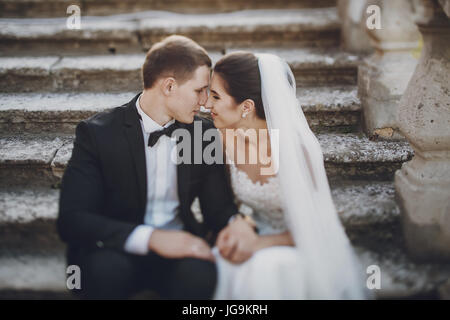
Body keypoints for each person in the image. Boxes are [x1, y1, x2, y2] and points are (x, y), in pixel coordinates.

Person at [57, 35, 254, 299]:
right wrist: (151, 238)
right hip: (115, 247)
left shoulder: (201, 133)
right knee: (105, 272)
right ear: (169, 86)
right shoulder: (98, 133)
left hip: (180, 251)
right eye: (199, 90)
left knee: (201, 276)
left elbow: (217, 207)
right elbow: (73, 219)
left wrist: (236, 222)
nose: (206, 102)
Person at [206, 52, 370, 299]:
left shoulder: (296, 152)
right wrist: (242, 225)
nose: (207, 104)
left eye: (216, 96)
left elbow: (317, 227)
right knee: (221, 259)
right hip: (257, 232)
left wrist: (259, 245)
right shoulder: (225, 140)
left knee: (264, 269)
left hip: (301, 244)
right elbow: (232, 205)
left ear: (246, 107)